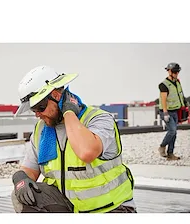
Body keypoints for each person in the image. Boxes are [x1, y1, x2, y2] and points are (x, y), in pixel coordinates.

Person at [11, 65, 136, 213]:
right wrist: (20, 178)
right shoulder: (42, 130)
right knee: (21, 194)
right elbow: (29, 171)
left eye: (41, 107)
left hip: (112, 208)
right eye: (34, 109)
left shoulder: (98, 119)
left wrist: (69, 112)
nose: (37, 114)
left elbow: (86, 152)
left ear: (56, 96)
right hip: (72, 208)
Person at [158, 62, 188, 160]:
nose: (176, 73)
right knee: (172, 131)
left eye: (177, 72)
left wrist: (186, 105)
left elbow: (180, 95)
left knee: (174, 133)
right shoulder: (164, 85)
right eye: (174, 72)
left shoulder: (177, 82)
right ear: (169, 71)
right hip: (166, 112)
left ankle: (170, 154)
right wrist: (165, 113)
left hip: (175, 111)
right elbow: (163, 100)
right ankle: (162, 146)